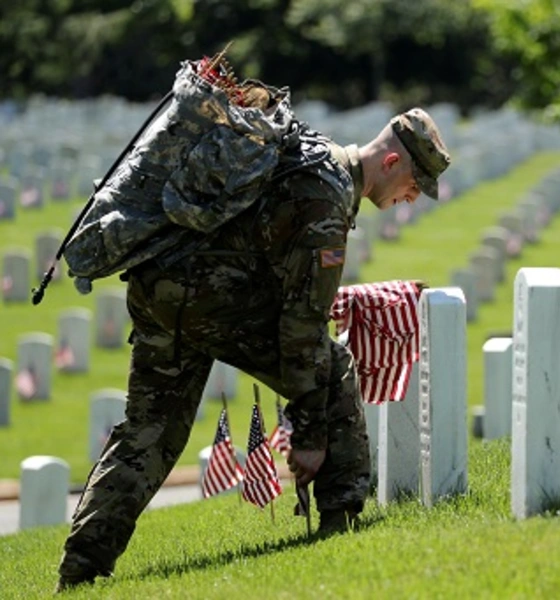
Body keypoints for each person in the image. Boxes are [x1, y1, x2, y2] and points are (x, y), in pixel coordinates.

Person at [56, 107, 451, 591]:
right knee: (333, 366)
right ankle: (340, 521)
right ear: (391, 162)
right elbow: (302, 324)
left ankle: (80, 569)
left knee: (150, 431)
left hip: (158, 288)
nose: (410, 200)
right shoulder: (326, 197)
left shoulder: (312, 158)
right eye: (414, 185)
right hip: (212, 299)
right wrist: (309, 438)